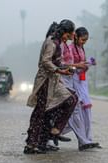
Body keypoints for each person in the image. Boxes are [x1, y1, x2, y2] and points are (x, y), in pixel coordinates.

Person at [24, 19, 78, 154]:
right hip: (45, 82)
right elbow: (45, 62)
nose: (69, 38)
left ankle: (51, 132)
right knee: (40, 112)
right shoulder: (51, 42)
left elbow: (57, 63)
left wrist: (66, 68)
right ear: (63, 32)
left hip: (54, 81)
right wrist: (60, 71)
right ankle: (31, 144)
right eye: (68, 35)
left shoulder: (58, 43)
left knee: (70, 99)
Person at [61, 27, 100, 151]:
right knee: (77, 112)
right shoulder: (70, 48)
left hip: (82, 81)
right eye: (83, 40)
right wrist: (79, 65)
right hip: (73, 81)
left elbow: (81, 63)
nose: (84, 42)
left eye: (86, 40)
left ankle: (87, 139)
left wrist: (87, 64)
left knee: (85, 112)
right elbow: (67, 64)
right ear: (76, 37)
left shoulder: (80, 48)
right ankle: (81, 139)